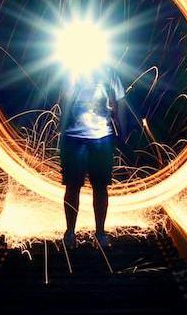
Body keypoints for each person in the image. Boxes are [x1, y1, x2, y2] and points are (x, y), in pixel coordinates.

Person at [56, 66, 125, 249]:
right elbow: (64, 102)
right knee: (72, 187)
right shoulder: (73, 72)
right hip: (74, 138)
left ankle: (100, 233)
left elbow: (120, 105)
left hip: (102, 139)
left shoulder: (111, 75)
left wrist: (121, 133)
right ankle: (70, 233)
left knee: (101, 187)